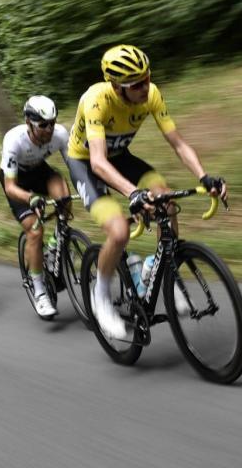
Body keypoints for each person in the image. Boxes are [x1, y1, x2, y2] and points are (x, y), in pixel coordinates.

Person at [65, 44, 228, 340]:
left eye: (148, 77)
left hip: (121, 156)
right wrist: (133, 194)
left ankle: (161, 267)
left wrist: (204, 176)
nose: (146, 87)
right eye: (136, 84)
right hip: (87, 162)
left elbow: (178, 143)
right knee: (118, 232)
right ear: (116, 87)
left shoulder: (151, 93)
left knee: (164, 197)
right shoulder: (96, 100)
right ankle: (100, 298)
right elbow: (99, 162)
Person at [0, 95, 72, 319]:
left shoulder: (59, 134)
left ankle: (53, 248)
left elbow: (75, 166)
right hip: (17, 182)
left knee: (65, 200)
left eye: (52, 123)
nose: (49, 129)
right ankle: (39, 290)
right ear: (29, 123)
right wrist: (29, 198)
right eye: (43, 125)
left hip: (40, 172)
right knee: (34, 230)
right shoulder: (14, 139)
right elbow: (10, 186)